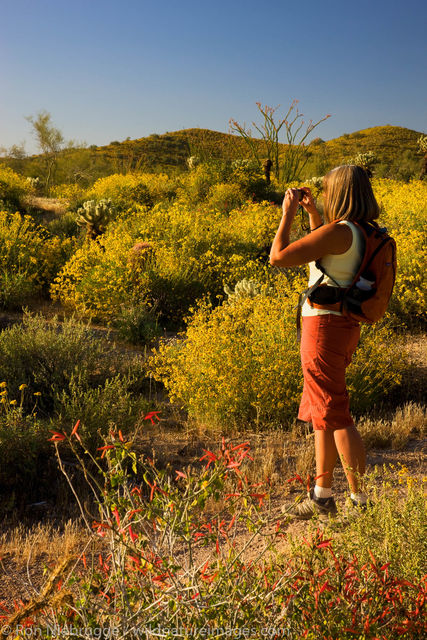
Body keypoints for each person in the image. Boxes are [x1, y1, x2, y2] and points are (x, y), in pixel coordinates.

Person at [270, 165, 380, 519]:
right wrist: (314, 214)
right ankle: (322, 494)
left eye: (328, 189)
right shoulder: (361, 231)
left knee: (335, 411)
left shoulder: (340, 231)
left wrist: (287, 216)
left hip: (324, 329)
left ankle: (360, 503)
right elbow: (330, 259)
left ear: (341, 192)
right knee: (323, 409)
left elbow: (279, 257)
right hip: (344, 325)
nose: (325, 193)